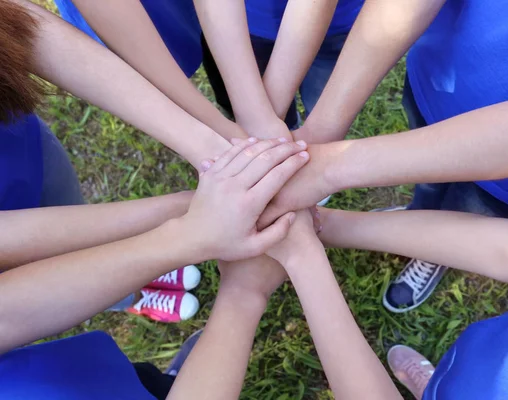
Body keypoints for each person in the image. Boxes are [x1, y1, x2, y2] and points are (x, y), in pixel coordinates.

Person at [260, 0, 508, 313]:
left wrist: (329, 169)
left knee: (477, 214)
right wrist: (322, 129)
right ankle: (417, 217)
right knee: (427, 184)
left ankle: (434, 252)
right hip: (445, 83)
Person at [0, 138, 310, 400]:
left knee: (142, 381)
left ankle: (142, 287)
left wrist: (186, 222)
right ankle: (138, 303)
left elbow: (6, 310)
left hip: (69, 378)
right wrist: (243, 292)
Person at [1, 0, 242, 321]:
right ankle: (130, 295)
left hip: (18, 146)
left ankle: (143, 262)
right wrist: (183, 215)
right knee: (59, 272)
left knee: (69, 206)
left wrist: (209, 147)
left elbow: (18, 29)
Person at [311, 206, 508, 398]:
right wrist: (324, 225)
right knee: (449, 383)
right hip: (486, 358)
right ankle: (433, 386)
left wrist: (304, 258)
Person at [54, 0, 364, 134]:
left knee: (321, 89)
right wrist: (227, 126)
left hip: (336, 21)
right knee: (247, 80)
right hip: (243, 19)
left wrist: (257, 118)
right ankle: (289, 127)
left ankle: (293, 130)